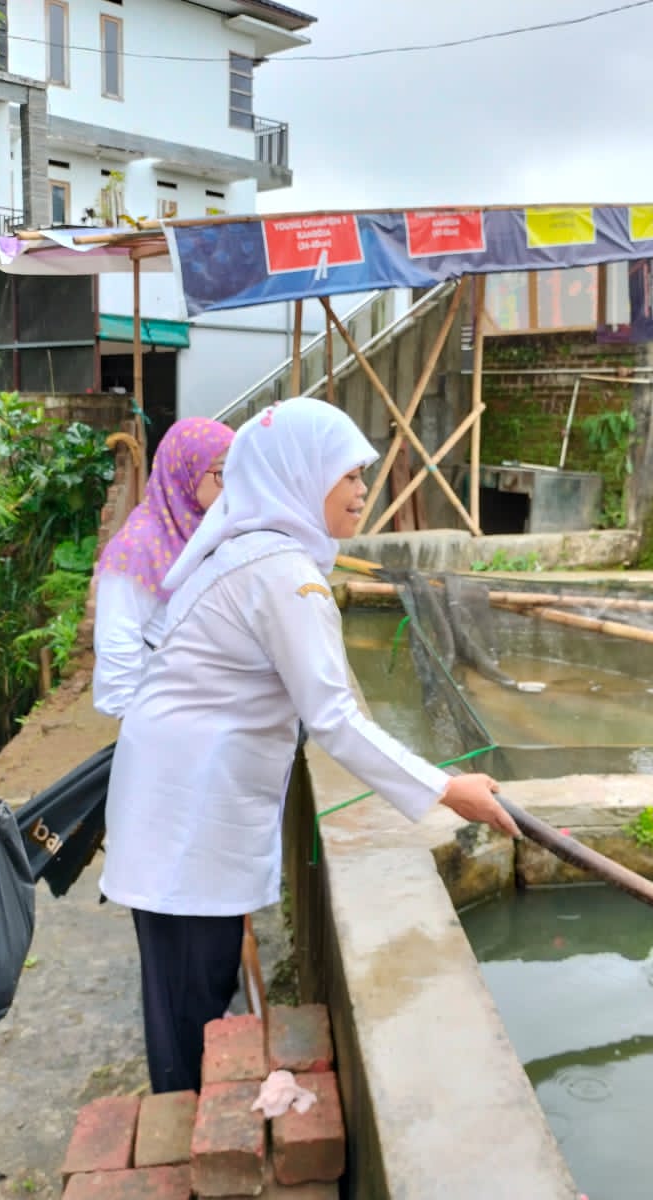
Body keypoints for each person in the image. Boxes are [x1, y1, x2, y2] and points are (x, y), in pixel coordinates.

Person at [100, 395, 521, 1095]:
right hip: (185, 822)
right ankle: (182, 1139)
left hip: (183, 811)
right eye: (348, 475)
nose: (363, 491)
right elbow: (334, 718)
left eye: (363, 475)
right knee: (187, 1009)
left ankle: (195, 1121)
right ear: (299, 474)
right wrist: (448, 790)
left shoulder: (253, 551)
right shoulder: (281, 574)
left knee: (196, 991)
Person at [93, 417, 234, 718]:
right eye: (223, 473)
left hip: (203, 708)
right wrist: (136, 722)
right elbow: (117, 639)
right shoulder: (138, 545)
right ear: (185, 472)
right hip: (162, 713)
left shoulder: (207, 532)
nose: (234, 485)